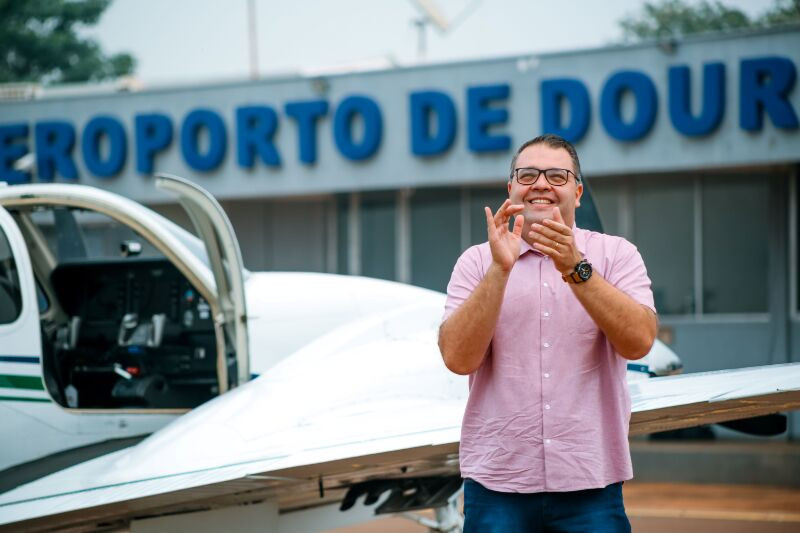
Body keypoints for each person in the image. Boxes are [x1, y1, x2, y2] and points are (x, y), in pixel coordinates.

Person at [438, 133, 657, 532]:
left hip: (590, 481)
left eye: (557, 175)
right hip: (497, 484)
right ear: (511, 189)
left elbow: (639, 341)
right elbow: (457, 359)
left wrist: (577, 267)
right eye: (528, 174)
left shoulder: (617, 254)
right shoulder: (475, 262)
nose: (541, 183)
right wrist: (499, 270)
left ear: (577, 191)